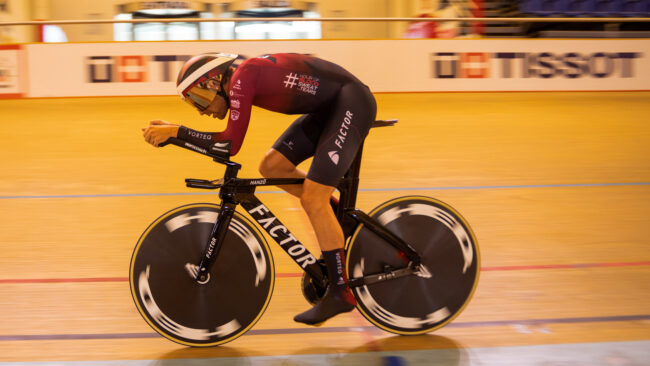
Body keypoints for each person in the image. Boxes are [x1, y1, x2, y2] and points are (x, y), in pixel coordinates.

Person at [141, 52, 377, 325]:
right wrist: (176, 133)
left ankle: (340, 293)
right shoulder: (242, 74)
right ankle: (339, 220)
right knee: (272, 167)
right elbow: (227, 144)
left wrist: (177, 132)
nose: (203, 111)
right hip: (330, 109)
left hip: (351, 104)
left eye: (200, 99)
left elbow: (229, 145)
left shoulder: (242, 77)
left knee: (314, 199)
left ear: (214, 81)